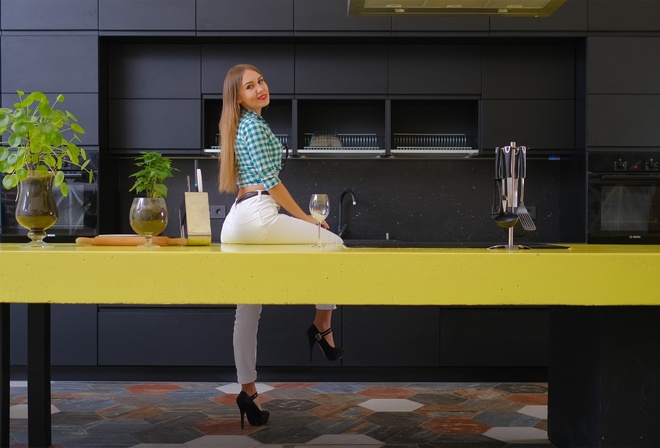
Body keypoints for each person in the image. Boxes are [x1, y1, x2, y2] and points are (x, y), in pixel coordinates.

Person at [218, 64, 345, 429]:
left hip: (237, 222)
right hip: (259, 213)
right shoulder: (254, 126)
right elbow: (272, 184)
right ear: (238, 97)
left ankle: (248, 393)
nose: (260, 88)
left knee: (248, 309)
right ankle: (322, 324)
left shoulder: (239, 125)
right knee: (333, 244)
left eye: (260, 81)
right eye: (249, 86)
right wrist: (307, 218)